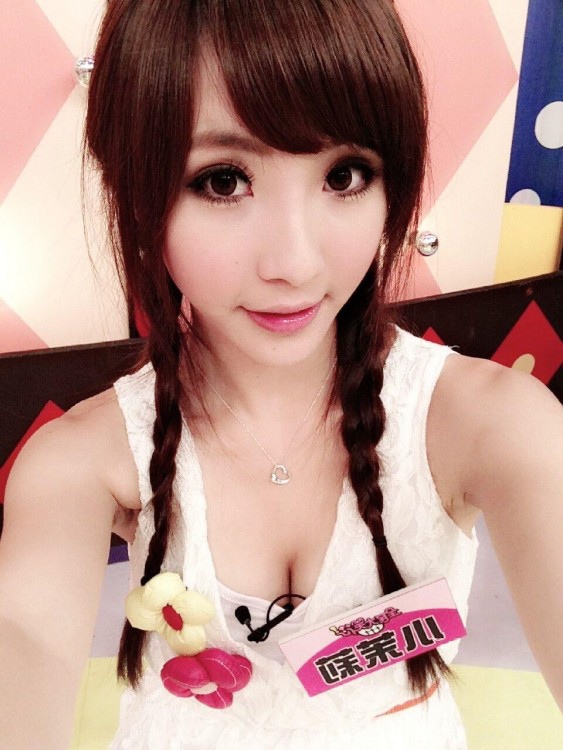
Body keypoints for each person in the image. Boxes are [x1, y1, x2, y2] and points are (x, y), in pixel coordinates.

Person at [0, 1, 561, 748]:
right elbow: (25, 644)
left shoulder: (489, 424)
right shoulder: (80, 462)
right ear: (134, 191)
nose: (294, 262)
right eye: (223, 181)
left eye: (344, 175)